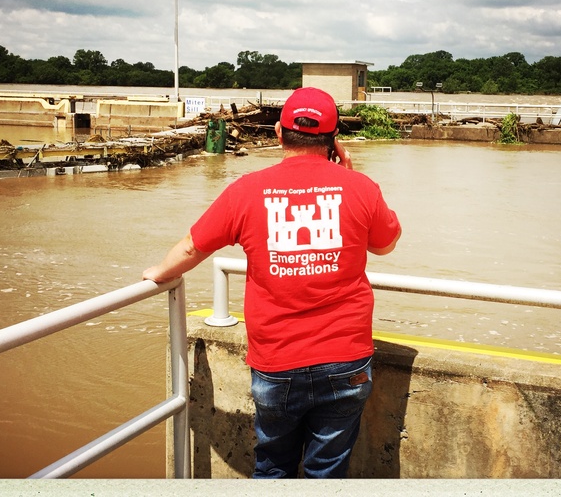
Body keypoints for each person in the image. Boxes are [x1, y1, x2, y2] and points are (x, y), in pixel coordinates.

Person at [142, 86, 401, 479]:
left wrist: (159, 274)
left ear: (279, 133)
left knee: (273, 465)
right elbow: (386, 244)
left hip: (276, 361)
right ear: (334, 140)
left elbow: (194, 247)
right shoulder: (361, 188)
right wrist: (348, 179)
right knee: (327, 471)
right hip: (346, 359)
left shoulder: (245, 190)